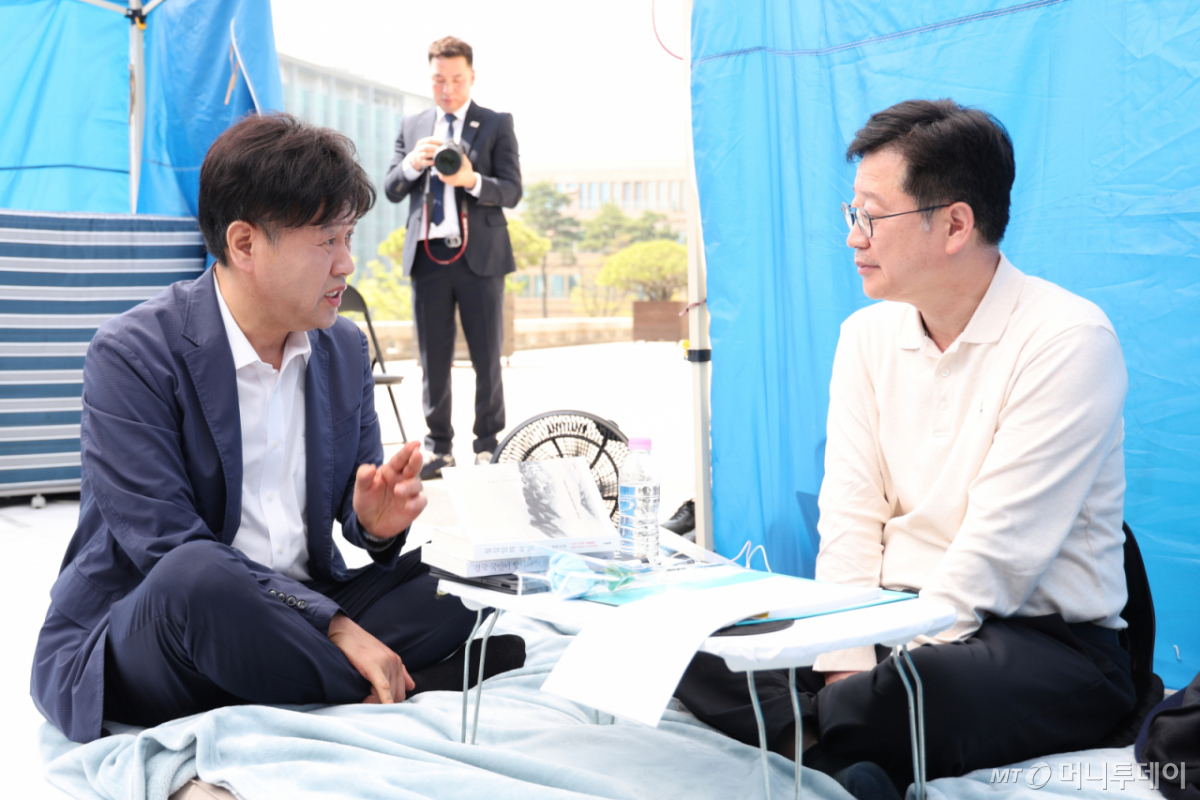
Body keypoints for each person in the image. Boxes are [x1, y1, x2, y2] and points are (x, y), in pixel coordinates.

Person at [674, 99, 1136, 795]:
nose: (853, 236)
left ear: (955, 224)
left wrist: (882, 672)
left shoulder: (1068, 339)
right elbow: (850, 517)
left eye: (871, 215)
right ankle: (845, 751)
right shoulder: (866, 338)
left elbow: (998, 557)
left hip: (1036, 639)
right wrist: (843, 659)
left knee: (927, 688)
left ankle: (816, 740)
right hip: (884, 619)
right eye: (851, 212)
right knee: (695, 640)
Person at [30, 113, 523, 745]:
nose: (347, 263)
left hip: (298, 599)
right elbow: (165, 546)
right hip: (161, 617)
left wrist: (373, 526)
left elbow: (352, 516)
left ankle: (299, 678)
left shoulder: (341, 349)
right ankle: (401, 679)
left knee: (469, 578)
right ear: (244, 244)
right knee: (196, 580)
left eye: (349, 237)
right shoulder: (132, 354)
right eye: (327, 241)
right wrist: (336, 627)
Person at [383, 36, 522, 479]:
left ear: (472, 77)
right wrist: (413, 164)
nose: (447, 89)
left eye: (457, 79)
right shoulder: (412, 125)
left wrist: (470, 179)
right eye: (438, 80)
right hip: (428, 258)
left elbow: (512, 191)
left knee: (487, 356)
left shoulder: (496, 123)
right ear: (430, 78)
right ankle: (438, 447)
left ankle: (487, 444)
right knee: (432, 359)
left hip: (480, 258)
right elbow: (390, 187)